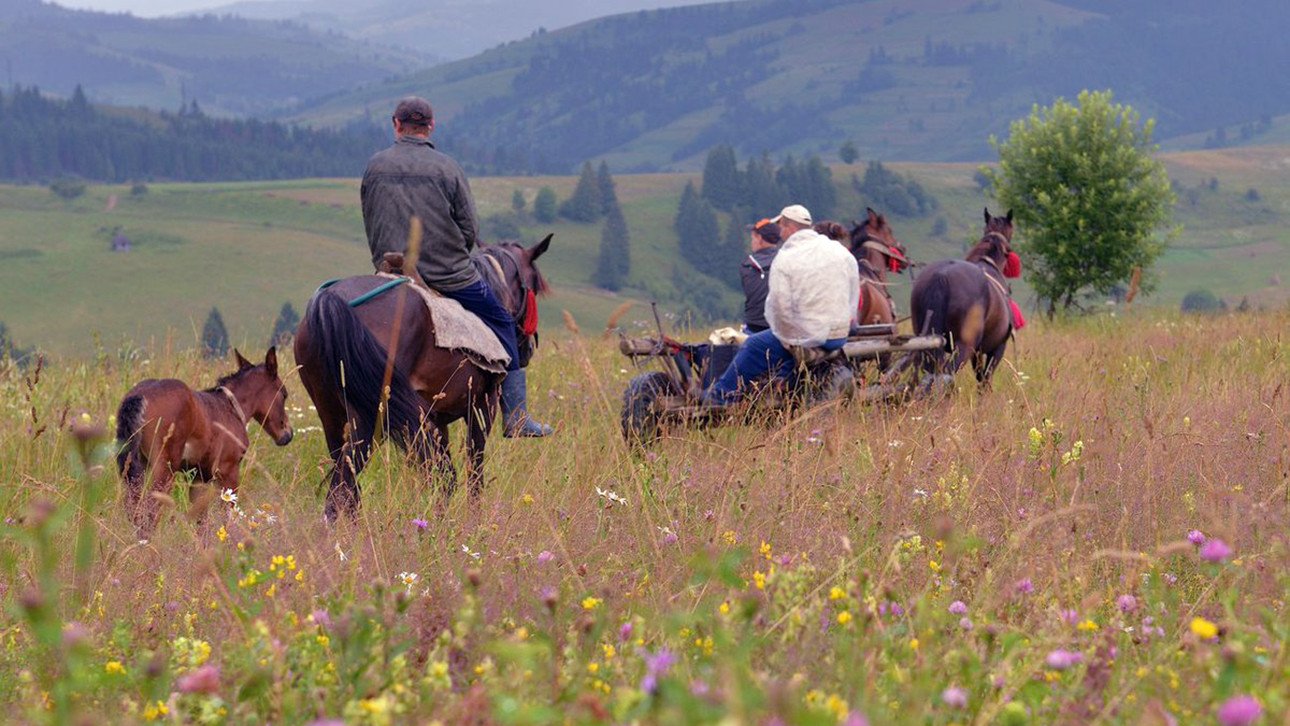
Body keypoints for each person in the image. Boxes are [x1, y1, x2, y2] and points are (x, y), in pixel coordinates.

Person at [361, 96, 552, 437]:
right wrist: (453, 258)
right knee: (504, 324)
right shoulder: (447, 167)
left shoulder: (375, 166)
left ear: (396, 124)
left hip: (391, 273)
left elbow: (370, 217)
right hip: (450, 276)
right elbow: (469, 230)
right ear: (431, 126)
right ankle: (516, 418)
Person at [704, 204, 860, 406]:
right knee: (781, 346)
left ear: (788, 226)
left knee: (754, 345)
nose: (780, 232)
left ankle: (721, 396)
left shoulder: (786, 258)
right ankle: (784, 381)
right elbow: (853, 293)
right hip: (837, 336)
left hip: (811, 335)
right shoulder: (839, 252)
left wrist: (786, 337)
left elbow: (778, 308)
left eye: (781, 226)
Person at [739, 218, 781, 333]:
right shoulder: (785, 260)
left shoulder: (748, 265)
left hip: (754, 326)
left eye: (753, 238)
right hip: (780, 327)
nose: (751, 242)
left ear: (760, 239)